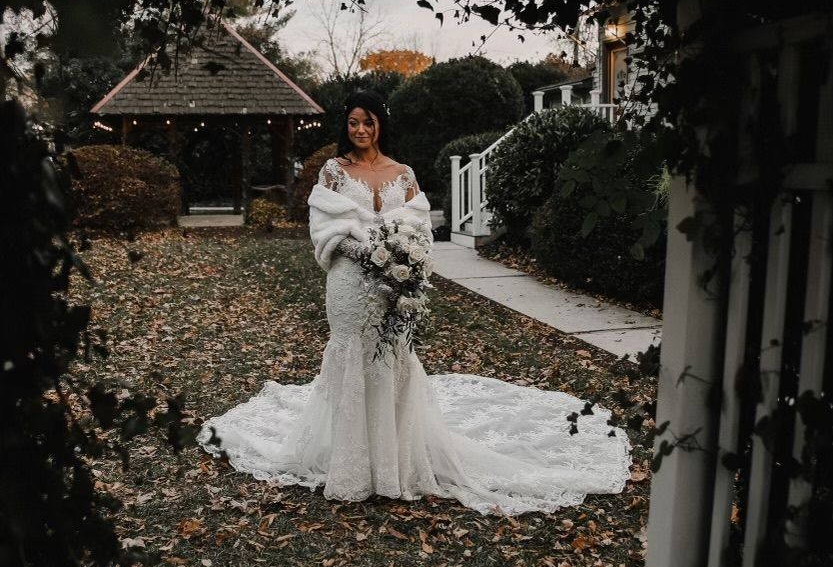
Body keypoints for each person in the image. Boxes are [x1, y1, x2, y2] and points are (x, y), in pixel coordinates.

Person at [198, 91, 630, 514]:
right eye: (353, 123)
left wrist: (399, 261)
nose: (361, 130)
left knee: (393, 356)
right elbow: (323, 227)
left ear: (381, 124)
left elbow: (418, 230)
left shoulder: (403, 174)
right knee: (351, 355)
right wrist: (365, 253)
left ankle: (393, 462)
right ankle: (351, 464)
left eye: (368, 122)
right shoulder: (333, 170)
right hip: (348, 283)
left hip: (393, 285)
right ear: (345, 127)